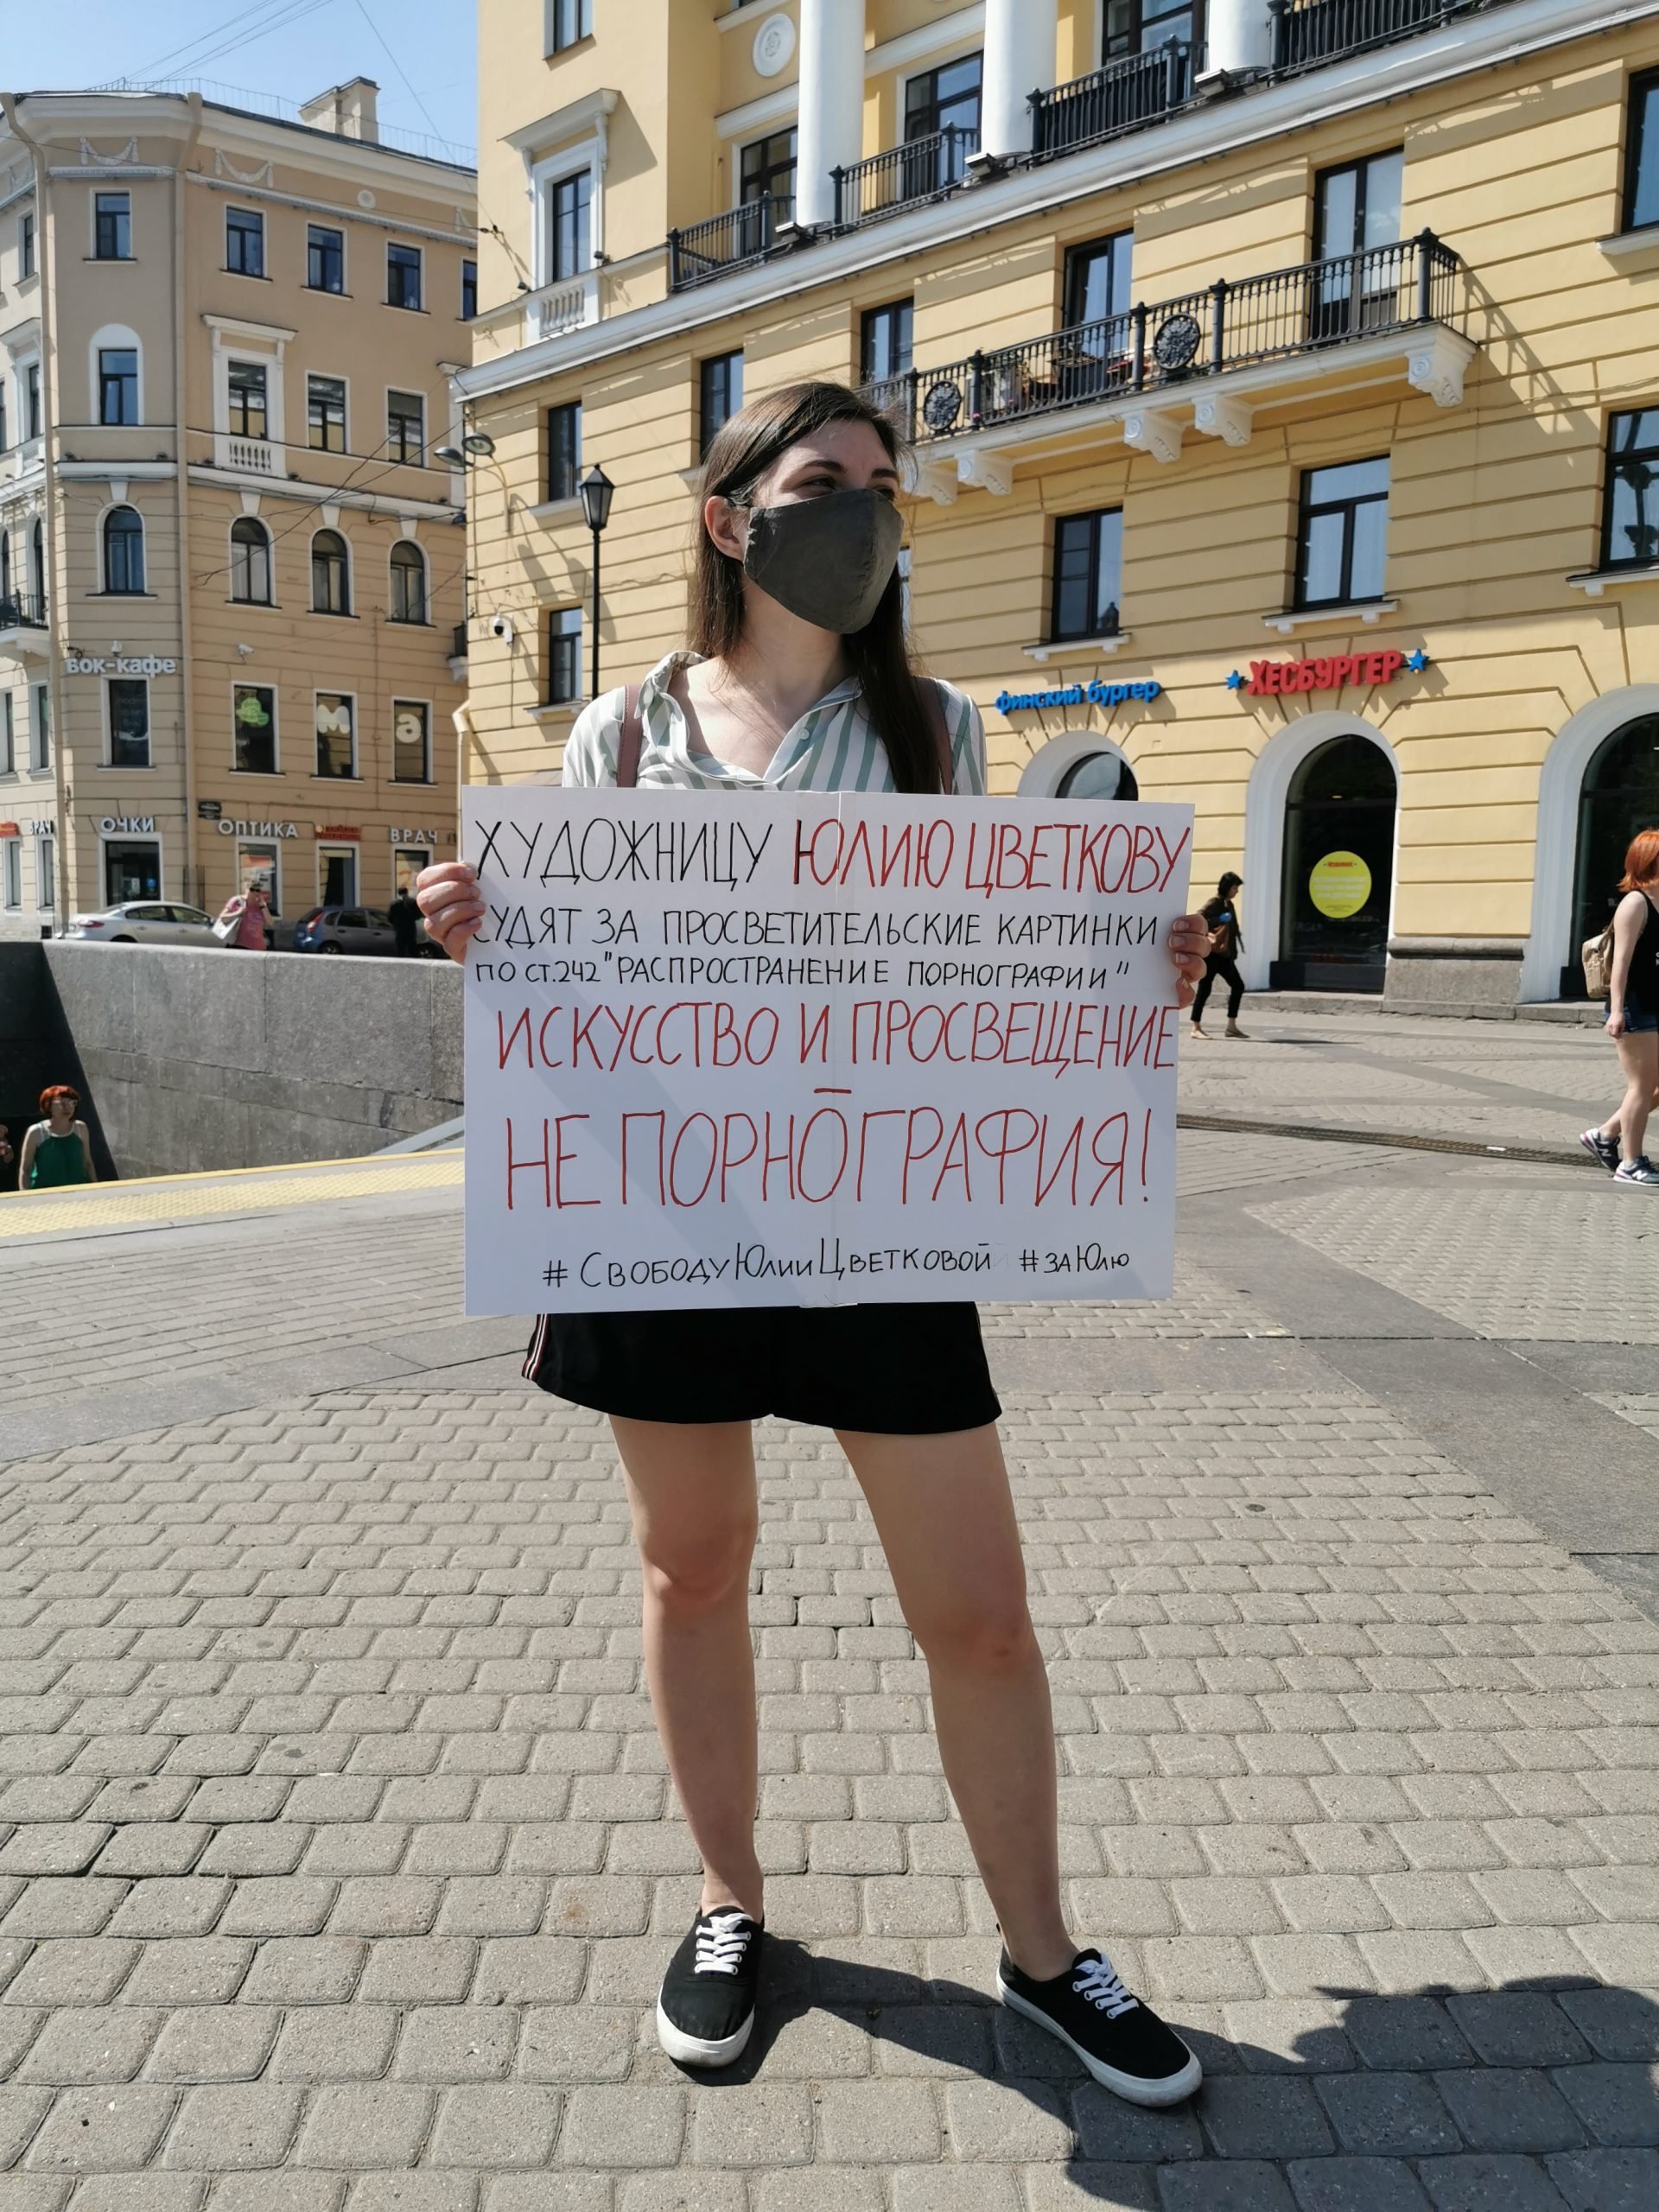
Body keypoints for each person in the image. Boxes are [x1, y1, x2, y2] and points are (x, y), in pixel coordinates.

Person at [417, 380, 1211, 2102]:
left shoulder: (936, 729)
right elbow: (566, 998)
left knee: (980, 1615)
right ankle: (730, 1907)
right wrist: (483, 935)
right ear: (732, 518)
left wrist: (1122, 973)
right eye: (826, 479)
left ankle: (1045, 1955)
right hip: (664, 1211)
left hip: (880, 1210)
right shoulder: (621, 735)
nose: (866, 508)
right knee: (692, 1568)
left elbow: (987, 980)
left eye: (883, 484)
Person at [1580, 828, 1659, 1185]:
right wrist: (1615, 1012)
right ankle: (1631, 1163)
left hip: (1654, 1002)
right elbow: (1620, 964)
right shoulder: (1635, 903)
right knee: (1641, 1087)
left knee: (1652, 1086)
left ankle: (1604, 1134)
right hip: (1634, 1007)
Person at [1189, 871, 1248, 1039]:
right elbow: (1199, 918)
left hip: (1225, 956)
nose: (1237, 891)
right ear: (1227, 887)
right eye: (1235, 888)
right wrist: (1219, 919)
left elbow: (1233, 930)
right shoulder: (1214, 902)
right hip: (1212, 954)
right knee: (1205, 988)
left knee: (1238, 986)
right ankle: (1195, 1027)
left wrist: (1234, 952)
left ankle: (1231, 1026)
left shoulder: (1230, 904)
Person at [19, 1085, 95, 1189]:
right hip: (45, 1193)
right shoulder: (36, 1132)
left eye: (72, 1103)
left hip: (78, 1191)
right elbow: (26, 1169)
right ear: (48, 1106)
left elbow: (87, 1163)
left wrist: (96, 1189)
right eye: (62, 1103)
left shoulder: (80, 1128)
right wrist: (25, 1195)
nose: (67, 1107)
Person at [218, 883, 273, 950]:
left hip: (258, 947)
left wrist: (263, 906)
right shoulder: (237, 901)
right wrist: (238, 912)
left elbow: (270, 922)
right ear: (246, 889)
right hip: (239, 946)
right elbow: (222, 918)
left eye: (258, 890)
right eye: (252, 889)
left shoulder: (260, 905)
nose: (255, 892)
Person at [388, 886, 421, 958]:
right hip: (410, 929)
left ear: (398, 893)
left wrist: (396, 923)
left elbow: (390, 917)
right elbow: (418, 915)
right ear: (407, 892)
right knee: (412, 950)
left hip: (399, 929)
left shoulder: (394, 903)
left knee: (400, 950)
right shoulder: (413, 902)